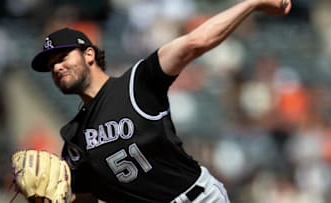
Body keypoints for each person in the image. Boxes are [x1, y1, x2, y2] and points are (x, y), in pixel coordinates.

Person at [30, 0, 292, 202]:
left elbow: (195, 42)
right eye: (51, 65)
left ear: (89, 54)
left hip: (196, 197)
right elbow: (86, 199)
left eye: (62, 57)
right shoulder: (75, 139)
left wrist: (253, 3)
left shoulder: (136, 83)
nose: (57, 67)